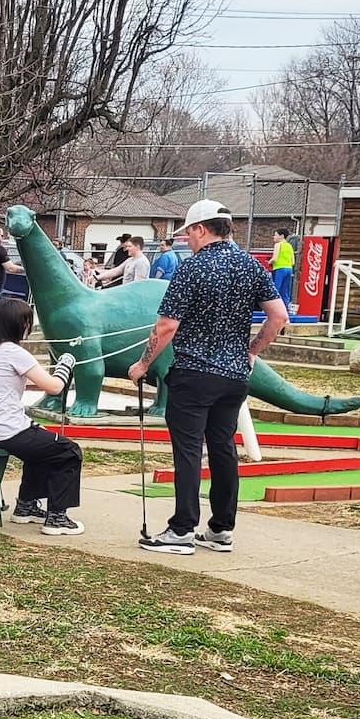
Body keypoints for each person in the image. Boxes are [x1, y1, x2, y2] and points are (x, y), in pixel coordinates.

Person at [128, 199, 288, 554]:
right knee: (223, 449)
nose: (187, 239)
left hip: (194, 372)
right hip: (233, 375)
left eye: (188, 232)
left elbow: (167, 325)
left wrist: (142, 364)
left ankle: (182, 528)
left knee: (188, 451)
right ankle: (221, 528)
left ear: (201, 229)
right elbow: (277, 316)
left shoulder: (192, 269)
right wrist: (251, 351)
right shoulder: (250, 266)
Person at [0, 299, 84, 534]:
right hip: (3, 430)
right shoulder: (15, 352)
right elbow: (54, 387)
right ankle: (57, 517)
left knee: (40, 447)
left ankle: (26, 505)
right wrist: (65, 365)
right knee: (69, 451)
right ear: (22, 325)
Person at [270, 227, 296, 308]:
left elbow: (274, 258)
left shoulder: (278, 245)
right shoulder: (289, 246)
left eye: (275, 235)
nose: (274, 237)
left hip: (279, 268)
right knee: (285, 290)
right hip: (289, 269)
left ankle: (273, 308)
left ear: (281, 236)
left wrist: (269, 262)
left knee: (276, 289)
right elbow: (293, 261)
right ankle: (285, 308)